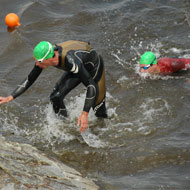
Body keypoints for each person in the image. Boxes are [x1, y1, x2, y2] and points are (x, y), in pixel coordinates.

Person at [0, 40, 107, 132]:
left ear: (49, 58)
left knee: (98, 110)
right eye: (35, 60)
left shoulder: (70, 61)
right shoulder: (45, 56)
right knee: (55, 97)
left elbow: (91, 85)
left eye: (39, 61)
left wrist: (84, 114)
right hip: (79, 66)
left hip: (93, 68)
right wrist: (10, 97)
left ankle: (103, 131)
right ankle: (65, 126)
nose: (37, 64)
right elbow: (30, 78)